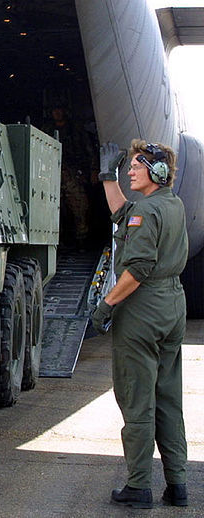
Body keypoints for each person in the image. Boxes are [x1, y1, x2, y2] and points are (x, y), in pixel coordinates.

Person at [92, 139, 188, 508]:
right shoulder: (170, 204)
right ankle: (177, 485)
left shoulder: (147, 213)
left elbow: (138, 268)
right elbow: (124, 215)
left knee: (137, 400)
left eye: (135, 166)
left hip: (142, 308)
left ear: (157, 172)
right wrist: (106, 177)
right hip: (172, 305)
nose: (129, 171)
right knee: (167, 397)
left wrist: (107, 305)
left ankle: (138, 486)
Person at [43, 106, 98, 249]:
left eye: (59, 109)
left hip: (74, 172)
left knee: (79, 206)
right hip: (53, 172)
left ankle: (81, 240)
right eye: (54, 109)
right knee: (55, 208)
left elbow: (89, 151)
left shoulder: (76, 129)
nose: (57, 112)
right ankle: (58, 240)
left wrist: (93, 171)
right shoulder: (47, 130)